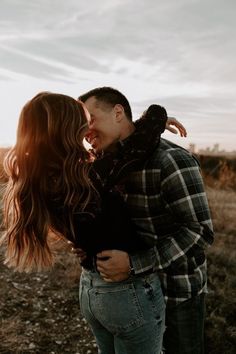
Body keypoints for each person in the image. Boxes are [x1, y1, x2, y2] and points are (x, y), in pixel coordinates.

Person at [0, 91, 185, 354]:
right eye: (84, 121)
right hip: (126, 292)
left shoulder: (44, 176)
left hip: (91, 290)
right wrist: (156, 116)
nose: (88, 129)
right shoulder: (89, 176)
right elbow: (136, 149)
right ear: (68, 128)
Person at [78, 86, 214, 354]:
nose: (86, 131)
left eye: (91, 120)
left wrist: (134, 264)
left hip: (175, 294)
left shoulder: (171, 160)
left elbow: (199, 232)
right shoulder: (105, 164)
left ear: (118, 113)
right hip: (128, 298)